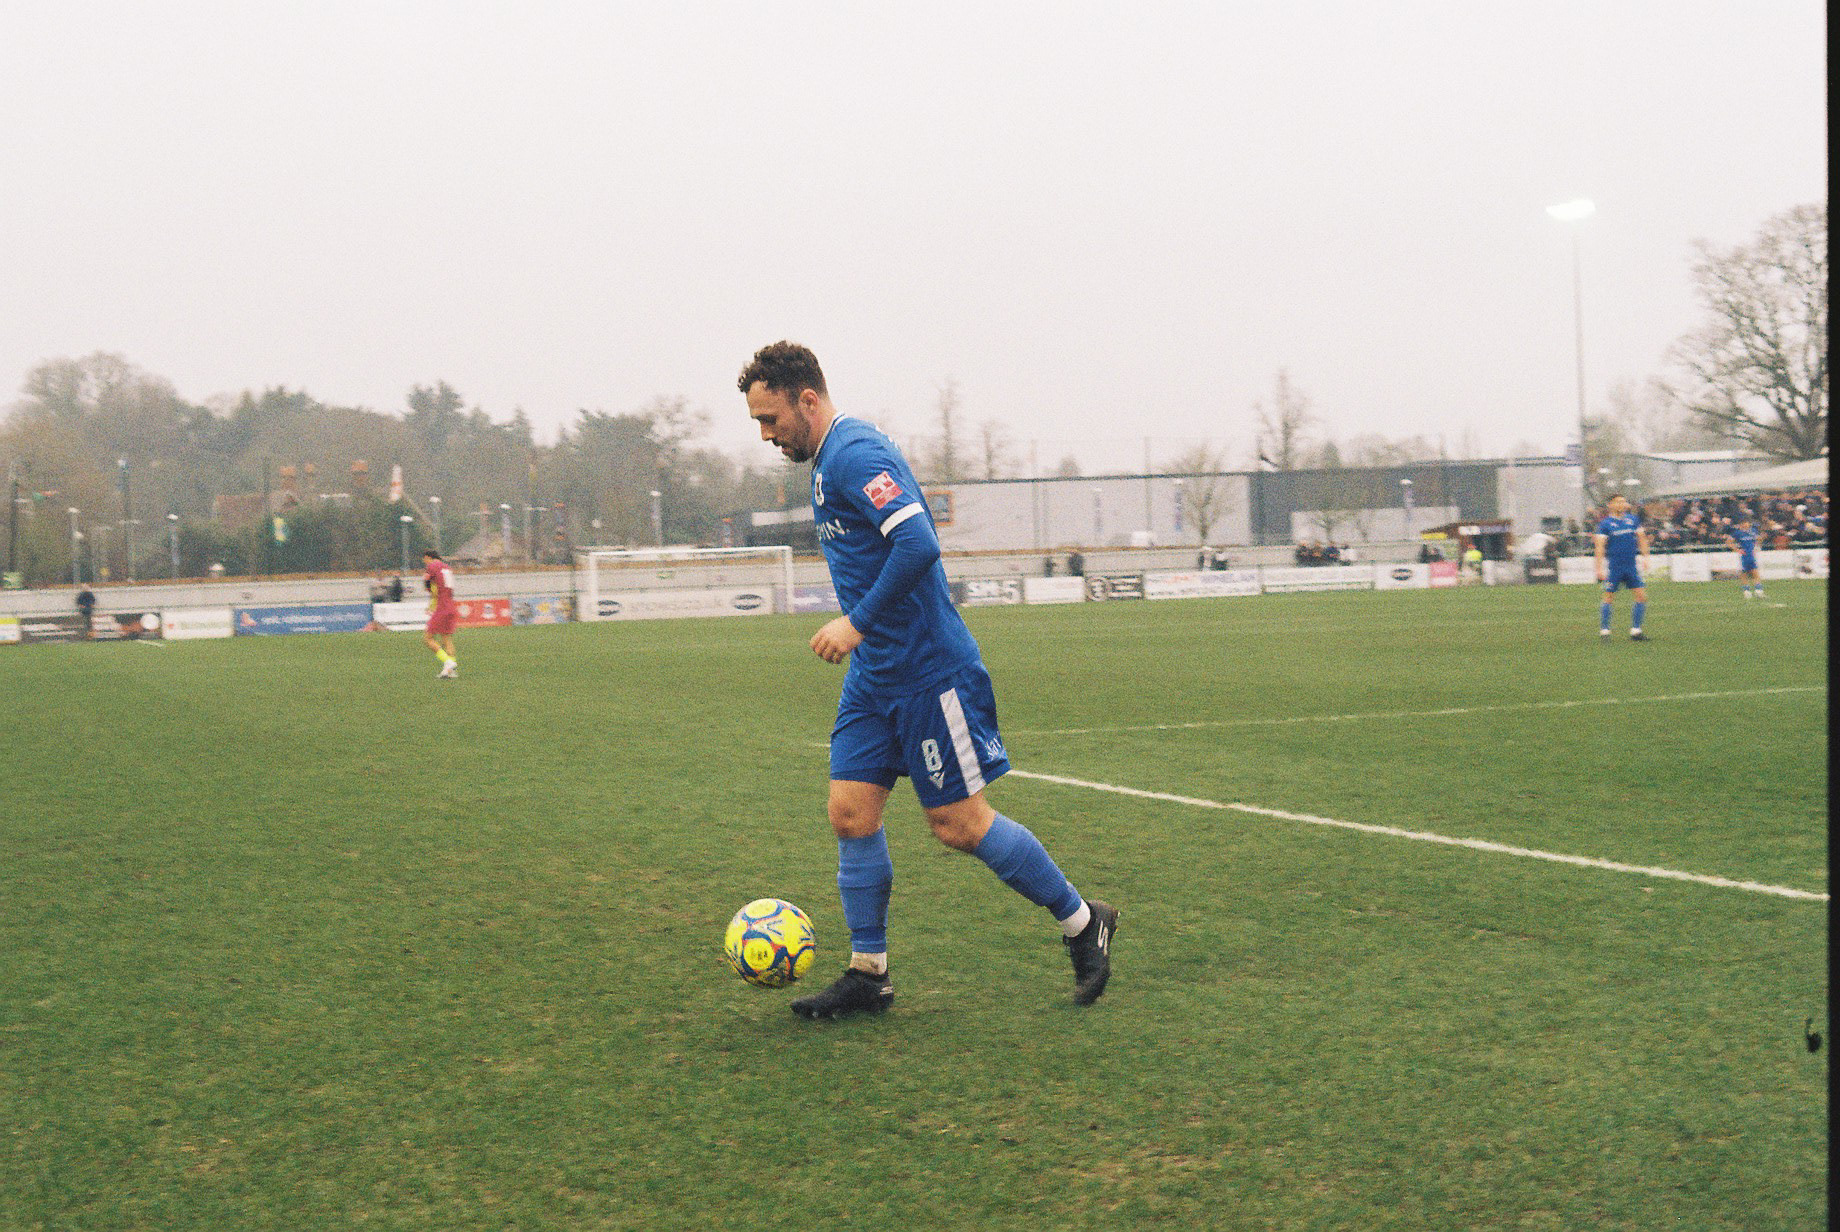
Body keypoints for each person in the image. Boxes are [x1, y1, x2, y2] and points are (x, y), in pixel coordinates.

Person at [739, 341, 1116, 1020]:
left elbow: (919, 545)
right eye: (759, 424)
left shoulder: (856, 454)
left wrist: (855, 623)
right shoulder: (825, 465)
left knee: (958, 825)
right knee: (850, 813)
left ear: (809, 400)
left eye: (772, 419)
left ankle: (1084, 921)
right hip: (874, 678)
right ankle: (868, 974)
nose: (767, 435)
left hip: (926, 672)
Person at [1594, 493, 1651, 641]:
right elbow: (1599, 547)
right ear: (1610, 505)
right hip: (1615, 567)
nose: (1622, 504)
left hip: (1631, 567)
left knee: (1641, 596)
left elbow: (1642, 539)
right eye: (1618, 502)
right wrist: (1599, 568)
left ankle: (1636, 631)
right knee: (1608, 597)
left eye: (1624, 502)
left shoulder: (1633, 520)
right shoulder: (1605, 524)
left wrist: (1646, 557)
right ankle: (1605, 632)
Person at [421, 549, 460, 678]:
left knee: (427, 638)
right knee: (446, 639)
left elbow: (426, 581)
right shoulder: (447, 567)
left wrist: (428, 589)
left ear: (428, 557)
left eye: (424, 559)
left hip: (441, 606)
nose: (424, 562)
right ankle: (450, 671)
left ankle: (448, 662)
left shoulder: (432, 566)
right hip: (451, 606)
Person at [1724, 517, 1765, 599]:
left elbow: (1760, 538)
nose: (1747, 524)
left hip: (1752, 554)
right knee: (1744, 573)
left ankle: (1758, 591)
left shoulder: (1753, 531)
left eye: (1748, 523)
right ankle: (1747, 591)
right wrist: (1737, 549)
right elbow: (1728, 542)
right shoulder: (1738, 533)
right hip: (1744, 555)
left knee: (1755, 572)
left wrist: (1757, 547)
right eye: (1745, 523)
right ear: (1742, 524)